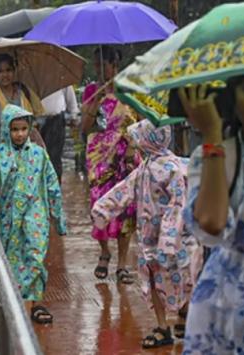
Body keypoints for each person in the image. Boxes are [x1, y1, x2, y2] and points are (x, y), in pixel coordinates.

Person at [179, 73, 244, 353]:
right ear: (232, 94)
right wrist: (212, 136)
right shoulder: (215, 156)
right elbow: (210, 225)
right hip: (223, 322)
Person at [91, 120, 203, 348]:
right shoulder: (146, 167)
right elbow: (123, 190)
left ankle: (183, 316)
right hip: (152, 239)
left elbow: (178, 203)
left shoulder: (170, 169)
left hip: (172, 239)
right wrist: (103, 209)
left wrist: (169, 236)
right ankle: (164, 326)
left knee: (182, 276)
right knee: (157, 278)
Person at [0, 104, 67, 324]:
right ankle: (15, 305)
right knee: (11, 261)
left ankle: (32, 306)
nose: (19, 134)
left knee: (35, 256)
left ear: (29, 129)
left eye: (23, 129)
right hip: (6, 220)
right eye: (14, 129)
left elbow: (52, 184)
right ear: (7, 130)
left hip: (35, 217)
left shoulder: (38, 154)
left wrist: (58, 217)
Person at [81, 45, 140, 284]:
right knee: (99, 205)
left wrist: (134, 146)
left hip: (125, 157)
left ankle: (123, 263)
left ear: (115, 64)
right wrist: (95, 101)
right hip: (100, 159)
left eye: (103, 63)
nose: (99, 68)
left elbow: (141, 120)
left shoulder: (129, 89)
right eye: (96, 63)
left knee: (126, 209)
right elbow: (84, 127)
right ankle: (104, 250)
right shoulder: (92, 91)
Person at [0, 53, 46, 161]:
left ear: (14, 71)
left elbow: (37, 120)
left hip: (26, 159)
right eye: (0, 71)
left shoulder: (23, 93)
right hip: (0, 160)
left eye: (8, 70)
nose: (5, 75)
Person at [40, 86, 80, 183]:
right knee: (37, 159)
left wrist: (74, 114)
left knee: (54, 158)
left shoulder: (59, 74)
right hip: (36, 121)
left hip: (56, 120)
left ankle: (55, 189)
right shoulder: (31, 74)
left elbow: (69, 94)